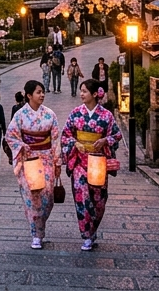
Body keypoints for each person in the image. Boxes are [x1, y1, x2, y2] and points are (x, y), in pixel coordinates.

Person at [61, 81, 123, 251]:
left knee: (99, 200)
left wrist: (105, 140)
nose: (81, 94)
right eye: (81, 91)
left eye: (85, 91)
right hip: (80, 162)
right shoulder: (75, 113)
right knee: (81, 197)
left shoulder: (106, 116)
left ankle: (93, 228)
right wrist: (74, 142)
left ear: (95, 94)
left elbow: (117, 134)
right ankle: (86, 235)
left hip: (98, 162)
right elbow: (65, 135)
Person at [6, 80, 62, 249]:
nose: (42, 95)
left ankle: (40, 226)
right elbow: (10, 136)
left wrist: (57, 160)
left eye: (43, 92)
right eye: (38, 92)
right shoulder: (20, 115)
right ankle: (36, 235)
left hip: (46, 159)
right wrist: (21, 145)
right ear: (29, 95)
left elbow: (56, 139)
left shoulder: (50, 114)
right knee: (32, 197)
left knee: (48, 197)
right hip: (28, 160)